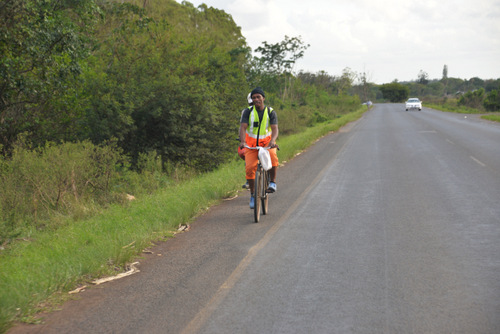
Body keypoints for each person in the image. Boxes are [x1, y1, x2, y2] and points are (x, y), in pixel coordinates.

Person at [239, 87, 279, 209]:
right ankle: (252, 194)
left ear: (263, 98)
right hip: (251, 146)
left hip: (267, 144)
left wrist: (272, 141)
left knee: (273, 158)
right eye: (254, 97)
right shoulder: (247, 112)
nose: (256, 99)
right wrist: (242, 141)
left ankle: (272, 182)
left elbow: (275, 129)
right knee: (250, 168)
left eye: (258, 97)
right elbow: (243, 128)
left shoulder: (271, 112)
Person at [238, 93, 253, 189]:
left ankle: (269, 179)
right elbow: (242, 127)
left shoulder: (266, 111)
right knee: (247, 156)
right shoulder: (245, 112)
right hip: (249, 139)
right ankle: (248, 180)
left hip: (263, 139)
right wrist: (241, 139)